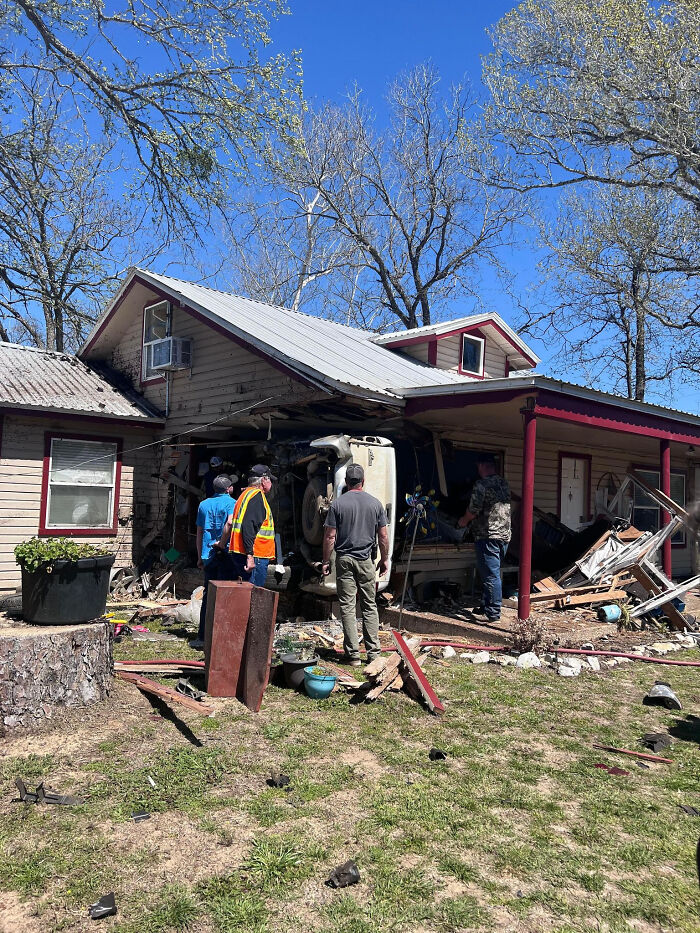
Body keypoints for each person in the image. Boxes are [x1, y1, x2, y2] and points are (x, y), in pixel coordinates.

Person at [322, 463, 389, 666]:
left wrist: (326, 561)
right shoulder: (375, 504)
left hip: (344, 561)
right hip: (366, 560)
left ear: (346, 482)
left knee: (348, 607)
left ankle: (352, 656)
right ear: (363, 481)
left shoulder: (338, 505)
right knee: (369, 605)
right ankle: (373, 653)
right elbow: (383, 536)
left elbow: (329, 537)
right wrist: (385, 559)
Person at [458, 454, 511, 623]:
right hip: (504, 535)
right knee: (491, 573)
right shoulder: (504, 483)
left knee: (490, 575)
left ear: (482, 466)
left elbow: (473, 510)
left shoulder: (481, 485)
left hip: (488, 535)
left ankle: (493, 613)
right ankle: (486, 604)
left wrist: (462, 522)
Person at [190, 474, 236, 649]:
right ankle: (221, 636)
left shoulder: (203, 504)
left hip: (208, 554)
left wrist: (200, 556)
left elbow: (200, 532)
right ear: (228, 489)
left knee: (209, 596)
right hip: (225, 552)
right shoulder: (233, 503)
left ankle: (203, 635)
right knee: (225, 596)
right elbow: (230, 524)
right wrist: (223, 544)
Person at [218, 464, 276, 587]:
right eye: (270, 479)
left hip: (241, 552)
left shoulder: (245, 495)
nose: (271, 483)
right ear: (264, 480)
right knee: (253, 595)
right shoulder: (257, 496)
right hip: (255, 555)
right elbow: (249, 526)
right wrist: (250, 556)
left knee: (245, 594)